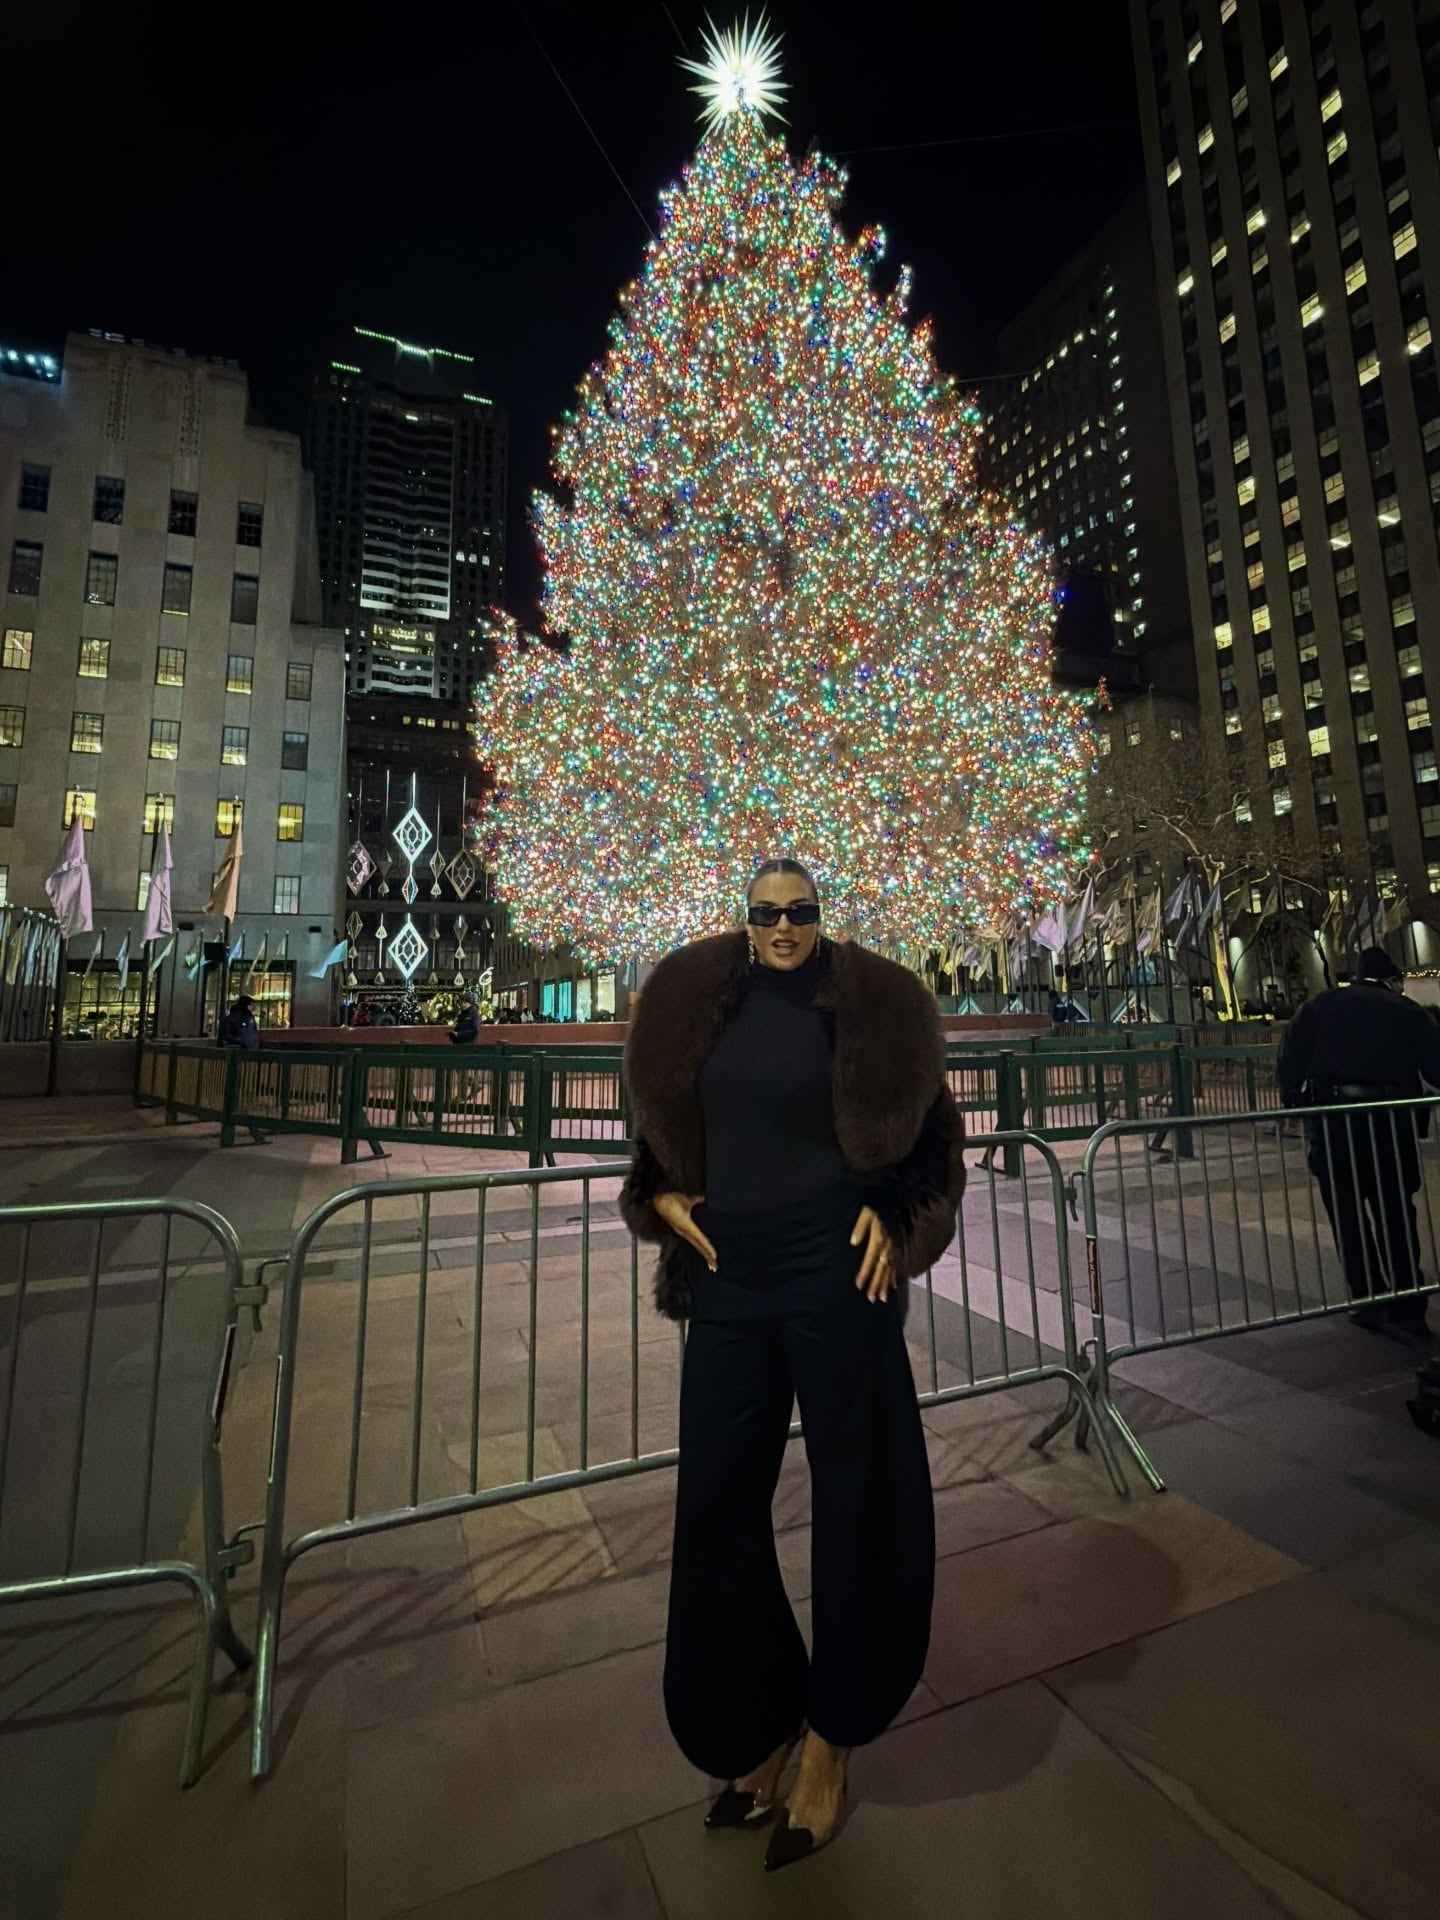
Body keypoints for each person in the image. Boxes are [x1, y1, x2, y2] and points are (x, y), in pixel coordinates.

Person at [620, 857, 965, 1873]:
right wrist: (661, 1197)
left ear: (821, 917)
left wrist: (899, 1222)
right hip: (728, 1282)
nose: (782, 927)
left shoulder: (873, 1004)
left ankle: (833, 1737)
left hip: (836, 1277)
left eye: (799, 912)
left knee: (857, 1497)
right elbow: (662, 1120)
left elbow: (936, 1145)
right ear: (745, 918)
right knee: (719, 1503)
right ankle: (755, 1721)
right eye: (767, 913)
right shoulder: (694, 1000)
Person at [1277, 947, 1440, 1334]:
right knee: (1396, 1214)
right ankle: (1405, 1304)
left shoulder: (1321, 1006)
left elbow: (1289, 1059)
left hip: (1334, 1122)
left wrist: (1299, 1103)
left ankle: (1368, 1299)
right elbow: (1436, 1068)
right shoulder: (1407, 1011)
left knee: (1348, 1216)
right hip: (1389, 1120)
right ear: (1392, 980)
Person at [217, 994, 270, 1144]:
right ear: (248, 1005)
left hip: (236, 1059)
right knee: (242, 1095)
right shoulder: (245, 1019)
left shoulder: (231, 1018)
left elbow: (224, 1039)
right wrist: (249, 1047)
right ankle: (252, 1129)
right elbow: (248, 1038)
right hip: (243, 1059)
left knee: (237, 1095)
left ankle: (248, 1128)